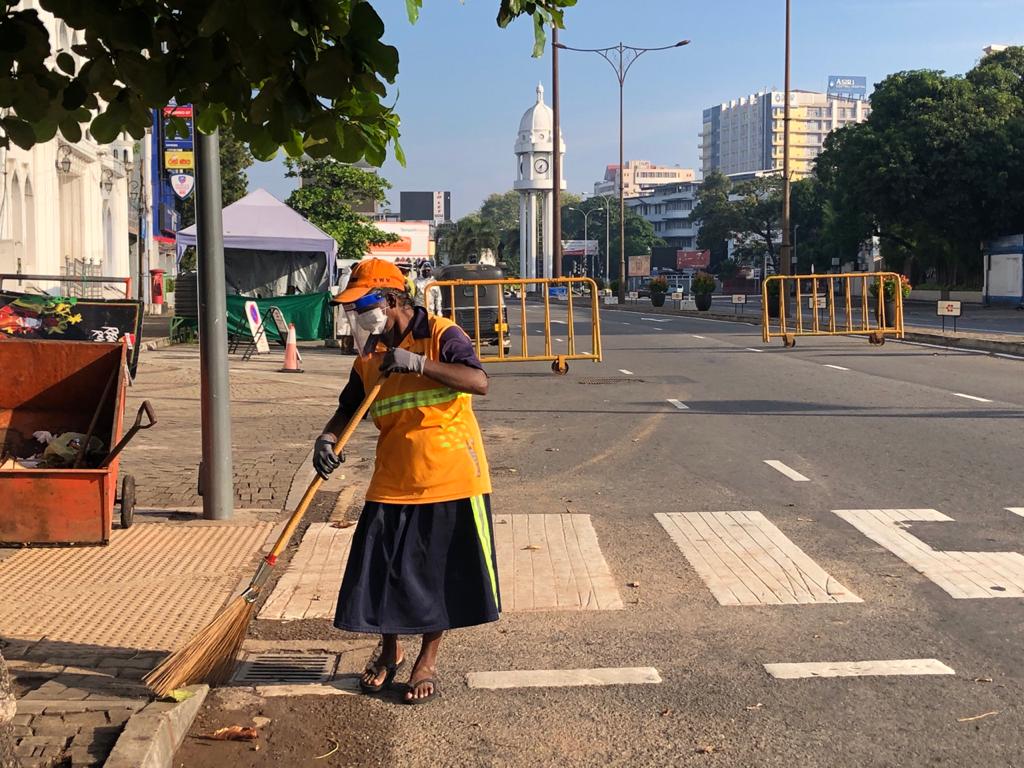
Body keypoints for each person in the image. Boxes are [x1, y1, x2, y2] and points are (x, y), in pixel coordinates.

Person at [314, 258, 499, 705]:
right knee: (383, 574)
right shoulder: (369, 355)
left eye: (362, 305)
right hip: (392, 480)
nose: (357, 315)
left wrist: (417, 362)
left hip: (450, 478)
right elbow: (349, 407)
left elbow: (478, 381)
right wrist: (327, 439)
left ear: (392, 300)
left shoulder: (441, 334)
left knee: (437, 577)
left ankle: (426, 661)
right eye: (352, 307)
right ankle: (390, 651)